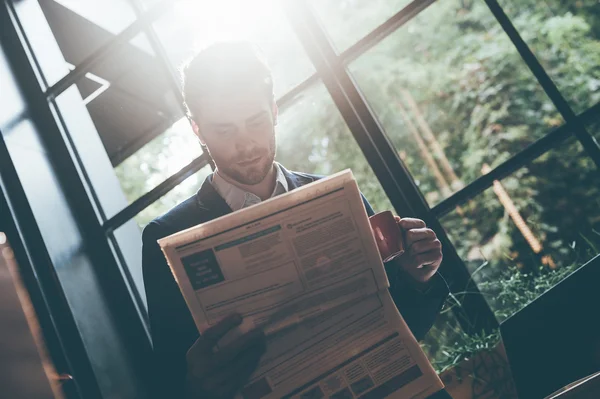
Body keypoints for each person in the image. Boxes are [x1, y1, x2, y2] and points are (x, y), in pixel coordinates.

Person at [142, 41, 450, 399]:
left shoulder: (338, 196)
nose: (245, 144)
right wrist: (196, 384)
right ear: (198, 130)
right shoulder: (167, 237)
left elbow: (401, 329)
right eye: (224, 131)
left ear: (273, 111)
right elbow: (170, 378)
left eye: (255, 122)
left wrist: (418, 277)